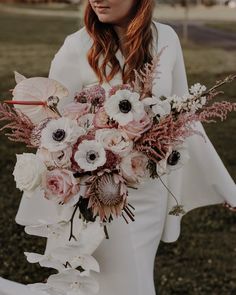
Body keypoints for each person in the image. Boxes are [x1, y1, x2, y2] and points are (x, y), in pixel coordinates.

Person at [0, 1, 235, 295]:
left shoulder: (167, 39)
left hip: (150, 197)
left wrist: (224, 185)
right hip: (99, 203)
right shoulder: (77, 46)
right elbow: (51, 130)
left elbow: (184, 119)